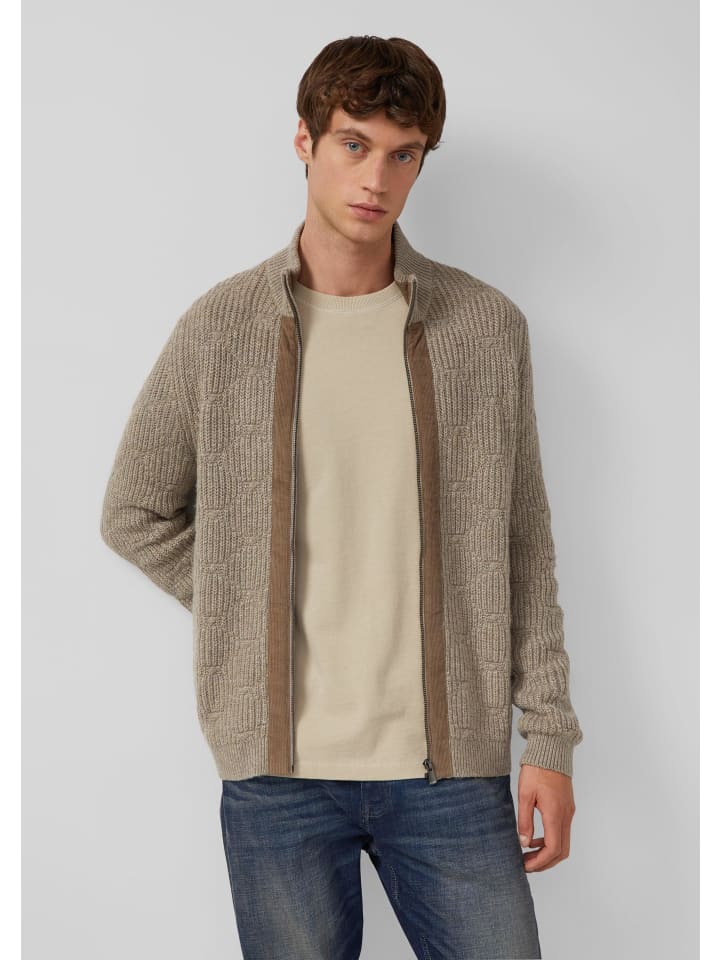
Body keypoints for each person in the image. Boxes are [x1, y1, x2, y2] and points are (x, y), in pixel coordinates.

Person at [100, 34, 583, 960]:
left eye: (404, 155)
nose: (377, 178)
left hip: (452, 773)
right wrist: (247, 601)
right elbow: (133, 511)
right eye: (354, 144)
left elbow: (523, 546)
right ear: (305, 141)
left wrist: (551, 739)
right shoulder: (222, 328)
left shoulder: (484, 329)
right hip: (278, 779)